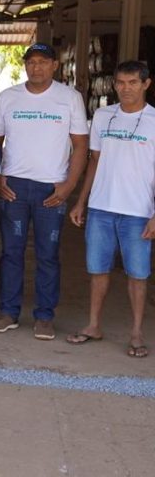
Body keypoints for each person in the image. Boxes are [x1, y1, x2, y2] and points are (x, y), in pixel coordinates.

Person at [0, 42, 88, 340]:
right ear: (25, 65)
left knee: (48, 255)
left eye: (43, 61)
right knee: (11, 253)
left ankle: (44, 316)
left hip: (51, 190)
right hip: (13, 188)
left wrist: (69, 185)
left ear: (55, 65)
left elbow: (81, 145)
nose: (36, 67)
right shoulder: (8, 97)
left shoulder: (69, 98)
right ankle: (8, 312)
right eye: (31, 62)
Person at [66, 61, 155, 358]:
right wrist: (81, 200)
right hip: (101, 208)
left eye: (132, 82)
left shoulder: (154, 120)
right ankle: (93, 325)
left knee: (138, 274)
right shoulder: (104, 116)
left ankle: (136, 333)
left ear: (146, 84)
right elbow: (94, 161)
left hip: (138, 210)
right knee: (97, 270)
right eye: (120, 82)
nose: (125, 88)